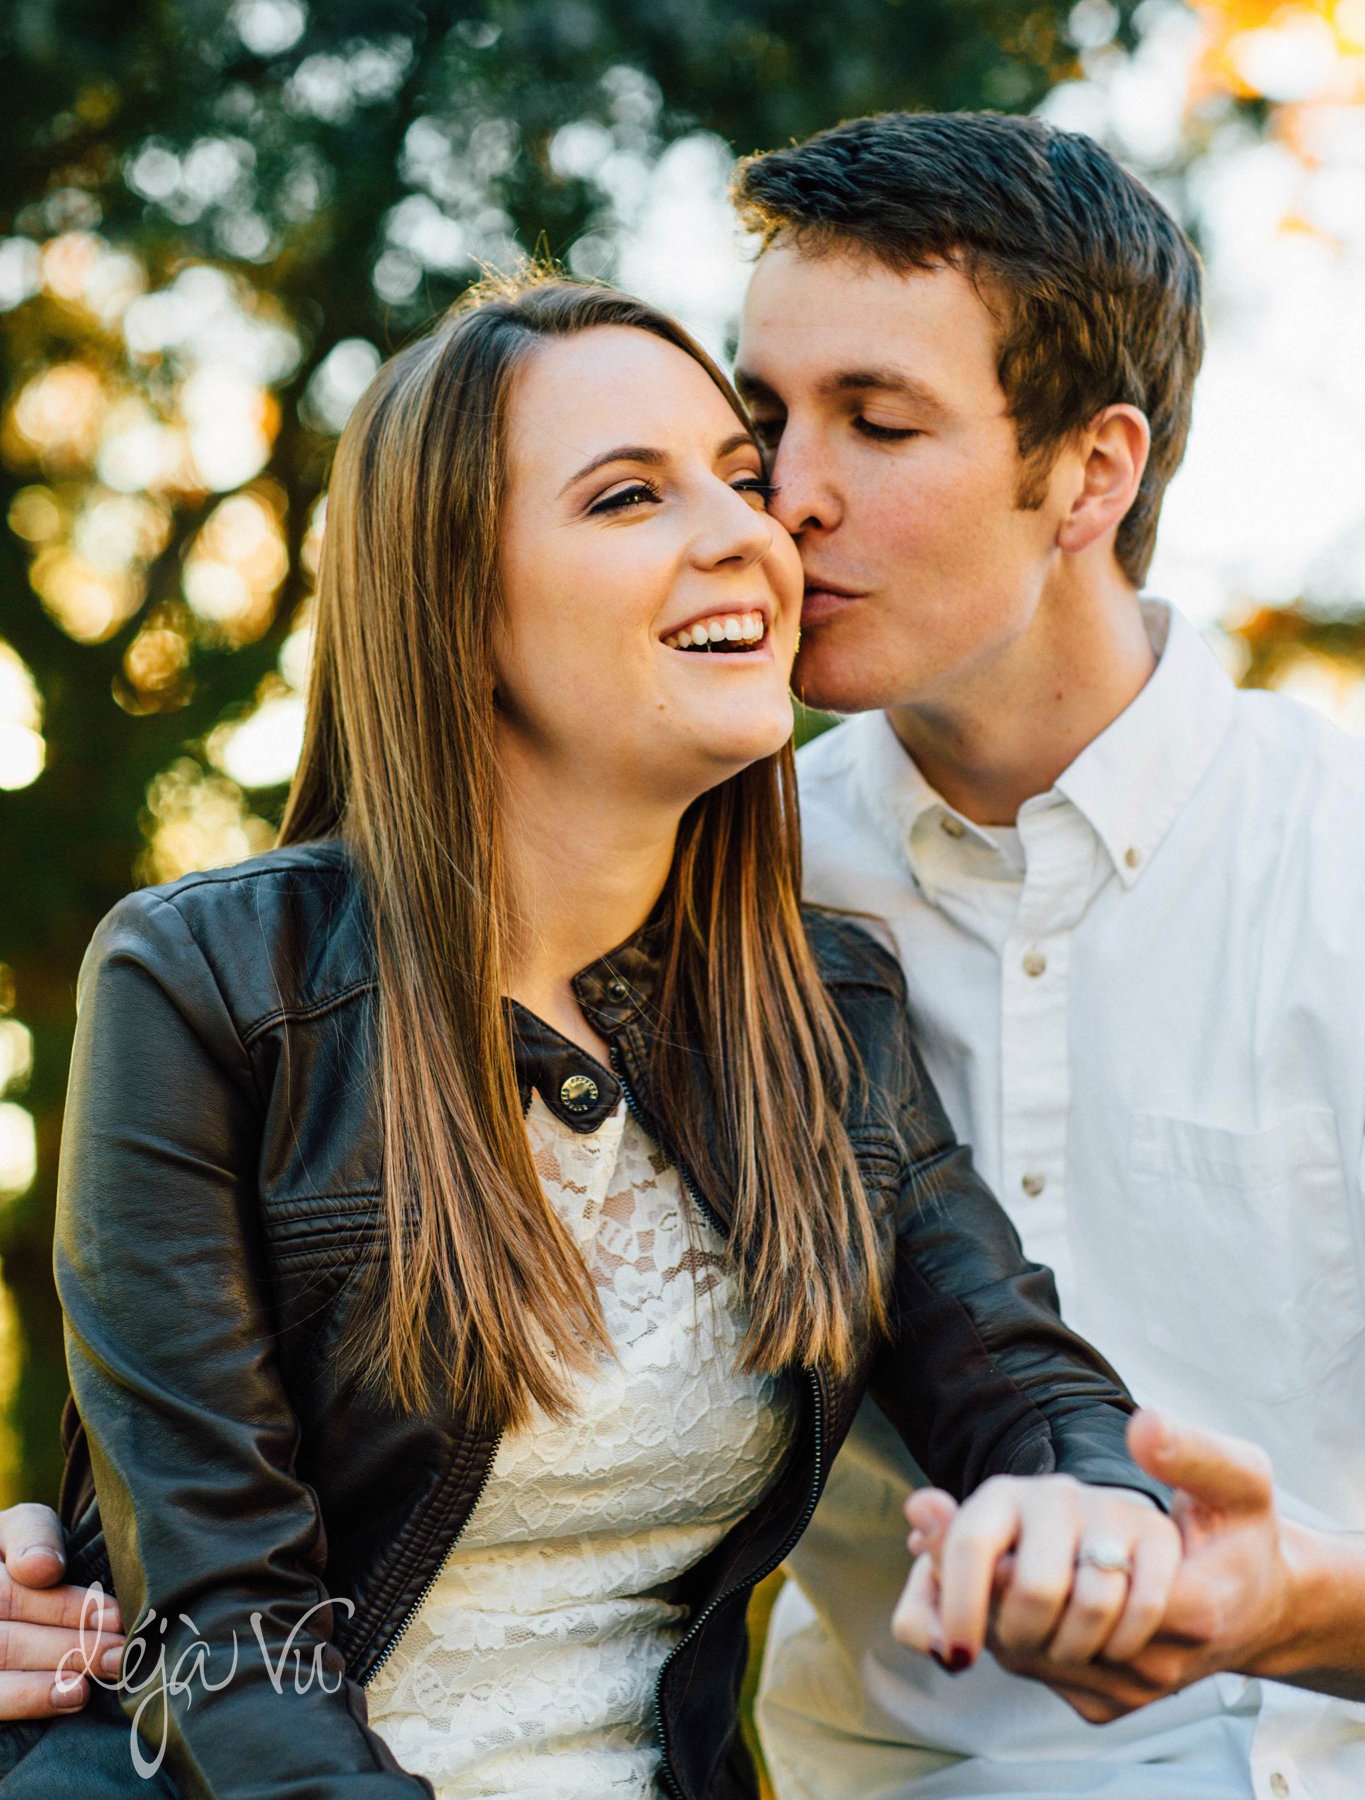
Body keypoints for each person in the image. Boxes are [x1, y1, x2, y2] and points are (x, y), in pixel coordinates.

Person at [0, 275, 1174, 1799]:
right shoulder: (211, 978)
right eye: (627, 496)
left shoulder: (822, 1006)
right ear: (452, 603)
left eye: (739, 482)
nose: (752, 531)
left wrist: (1091, 1506)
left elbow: (1021, 1382)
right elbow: (227, 1627)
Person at [727, 112, 1365, 1798]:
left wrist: (1294, 1602)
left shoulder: (1343, 857)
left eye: (877, 421)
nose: (786, 498)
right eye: (763, 417)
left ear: (1092, 470)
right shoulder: (712, 884)